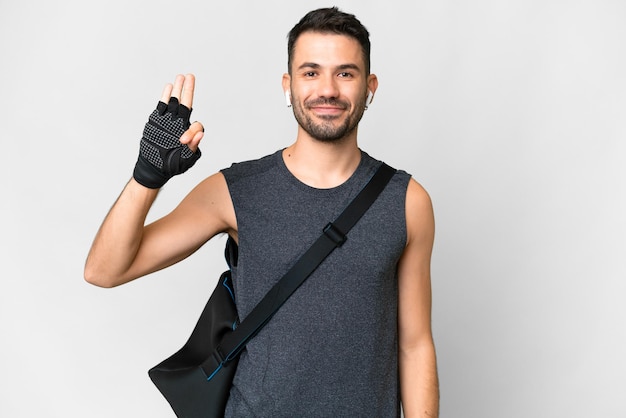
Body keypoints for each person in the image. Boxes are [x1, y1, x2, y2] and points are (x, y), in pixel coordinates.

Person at [85, 7, 438, 417]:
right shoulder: (235, 191)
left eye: (345, 73)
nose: (327, 89)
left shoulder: (407, 201)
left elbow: (415, 345)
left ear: (369, 86)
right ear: (287, 86)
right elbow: (104, 270)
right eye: (310, 72)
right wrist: (147, 177)